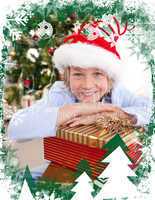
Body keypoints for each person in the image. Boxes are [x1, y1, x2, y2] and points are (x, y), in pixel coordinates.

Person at [6, 19, 152, 177]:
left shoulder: (117, 92)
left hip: (103, 164)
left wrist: (103, 114)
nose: (87, 85)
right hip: (65, 158)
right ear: (67, 77)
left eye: (97, 74)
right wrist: (79, 109)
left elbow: (148, 110)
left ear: (109, 78)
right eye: (78, 74)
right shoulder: (60, 92)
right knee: (21, 163)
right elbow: (16, 125)